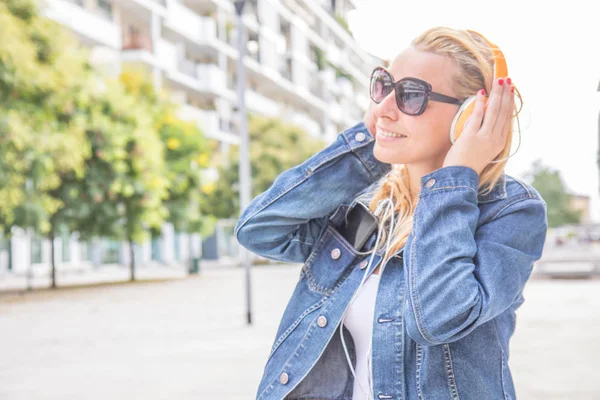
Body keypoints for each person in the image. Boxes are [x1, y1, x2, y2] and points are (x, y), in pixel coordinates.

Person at [235, 27, 548, 400]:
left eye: (411, 95)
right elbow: (259, 229)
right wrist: (368, 145)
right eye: (383, 86)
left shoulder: (512, 211)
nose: (383, 107)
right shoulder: (369, 207)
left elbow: (439, 318)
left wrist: (452, 179)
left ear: (470, 116)